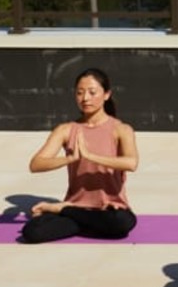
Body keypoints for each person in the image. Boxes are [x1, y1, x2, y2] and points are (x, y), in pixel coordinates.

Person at [22, 68, 140, 243]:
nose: (85, 98)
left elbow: (131, 163)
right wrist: (69, 159)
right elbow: (36, 164)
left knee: (122, 223)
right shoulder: (66, 130)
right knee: (33, 232)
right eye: (80, 93)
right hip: (77, 205)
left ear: (106, 94)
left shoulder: (121, 129)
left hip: (109, 209)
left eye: (92, 93)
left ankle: (62, 211)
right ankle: (83, 219)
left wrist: (91, 156)